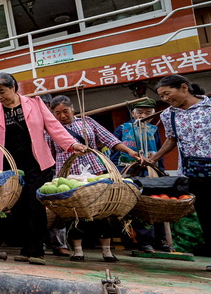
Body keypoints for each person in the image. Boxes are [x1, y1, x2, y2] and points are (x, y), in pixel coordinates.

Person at [0, 74, 88, 265]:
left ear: (14, 87)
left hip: (39, 164)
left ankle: (37, 249)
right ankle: (26, 247)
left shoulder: (36, 104)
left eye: (1, 92)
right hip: (12, 168)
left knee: (35, 204)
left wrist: (72, 144)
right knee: (18, 208)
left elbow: (54, 127)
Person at [46, 95, 145, 263]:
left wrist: (129, 152)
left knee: (103, 211)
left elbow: (110, 140)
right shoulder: (51, 130)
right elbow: (48, 155)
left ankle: (107, 251)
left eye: (65, 111)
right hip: (70, 176)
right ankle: (78, 250)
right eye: (57, 113)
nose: (62, 116)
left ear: (72, 109)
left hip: (96, 172)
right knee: (76, 213)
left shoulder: (87, 122)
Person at [150, 74, 211, 273]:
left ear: (184, 87)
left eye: (167, 93)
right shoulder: (169, 115)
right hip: (195, 171)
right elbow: (171, 140)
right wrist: (153, 158)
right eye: (162, 96)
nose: (166, 99)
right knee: (208, 217)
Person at [111, 98, 169, 252]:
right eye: (140, 112)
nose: (143, 115)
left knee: (155, 204)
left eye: (147, 113)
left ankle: (160, 240)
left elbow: (159, 151)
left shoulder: (153, 130)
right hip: (128, 171)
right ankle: (143, 241)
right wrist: (116, 171)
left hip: (150, 172)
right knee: (137, 206)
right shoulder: (123, 129)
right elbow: (115, 151)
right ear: (133, 113)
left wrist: (161, 170)